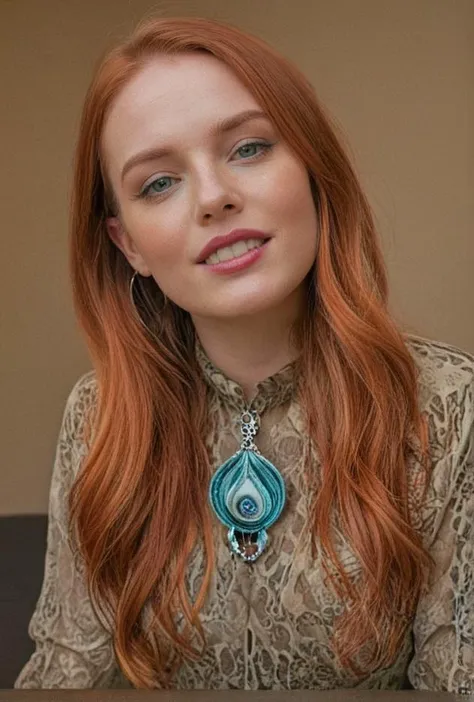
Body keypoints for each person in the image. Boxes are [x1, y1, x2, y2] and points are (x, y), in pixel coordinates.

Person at [14, 14, 473, 693]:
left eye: (249, 148)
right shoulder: (98, 415)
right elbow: (63, 678)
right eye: (158, 183)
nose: (215, 197)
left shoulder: (447, 403)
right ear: (128, 243)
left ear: (314, 168)